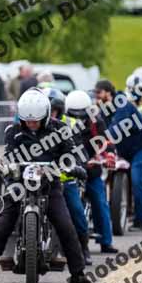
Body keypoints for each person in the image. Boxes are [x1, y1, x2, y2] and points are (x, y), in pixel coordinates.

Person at [0, 90, 92, 283]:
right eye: (27, 120)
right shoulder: (13, 131)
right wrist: (5, 169)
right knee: (1, 226)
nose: (31, 124)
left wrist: (73, 166)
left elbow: (72, 153)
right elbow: (10, 156)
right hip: (20, 184)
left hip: (50, 184)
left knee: (66, 225)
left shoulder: (60, 129)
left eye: (35, 120)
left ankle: (78, 273)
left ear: (45, 115)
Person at [65, 90, 118, 254]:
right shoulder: (62, 123)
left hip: (91, 169)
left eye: (82, 114)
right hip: (69, 170)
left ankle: (106, 241)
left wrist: (109, 154)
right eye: (74, 114)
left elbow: (106, 140)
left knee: (100, 201)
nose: (79, 118)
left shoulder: (97, 121)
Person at [46, 88, 92, 264]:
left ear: (61, 109)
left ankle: (83, 248)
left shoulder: (71, 124)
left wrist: (78, 166)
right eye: (50, 110)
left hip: (65, 179)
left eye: (55, 110)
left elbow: (79, 150)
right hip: (41, 180)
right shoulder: (35, 125)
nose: (53, 114)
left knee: (77, 213)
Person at [107, 74, 142, 230]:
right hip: (130, 149)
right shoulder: (120, 104)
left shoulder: (123, 105)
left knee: (138, 182)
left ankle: (141, 220)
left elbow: (116, 127)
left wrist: (104, 138)